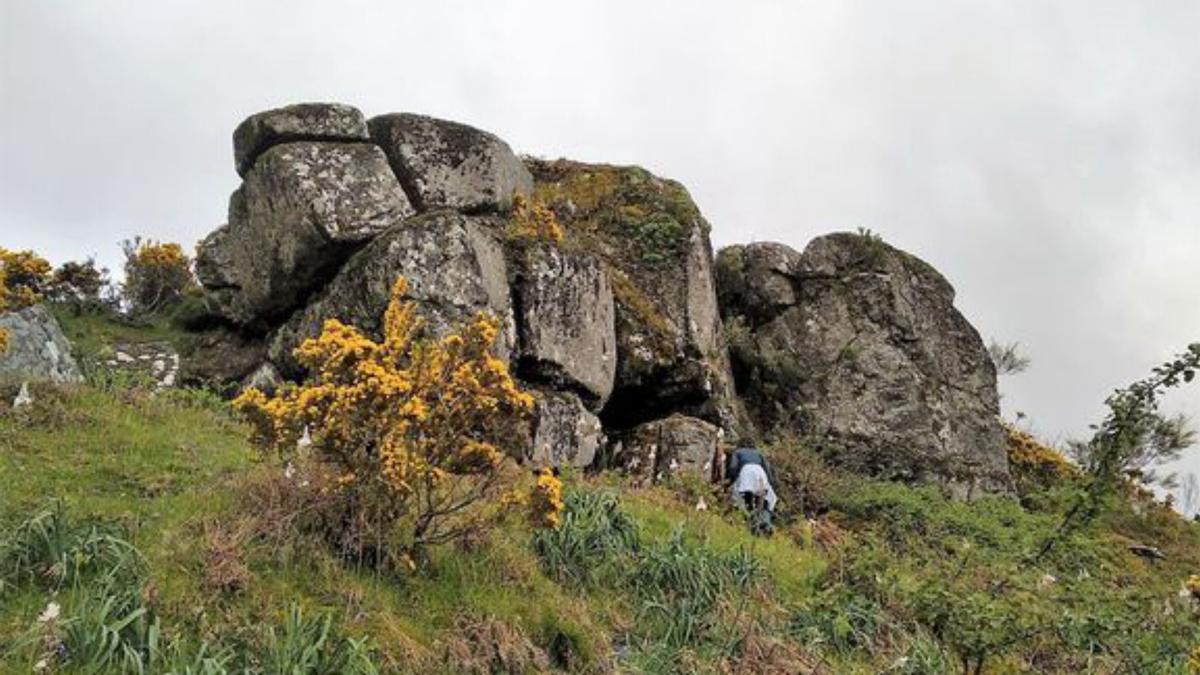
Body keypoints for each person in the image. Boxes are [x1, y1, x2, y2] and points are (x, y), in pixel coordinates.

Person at [725, 446, 779, 536]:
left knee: (747, 499)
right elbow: (767, 468)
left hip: (746, 472)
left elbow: (733, 467)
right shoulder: (758, 453)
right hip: (760, 473)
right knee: (764, 500)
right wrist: (771, 482)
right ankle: (766, 524)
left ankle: (752, 523)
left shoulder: (738, 452)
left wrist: (731, 479)